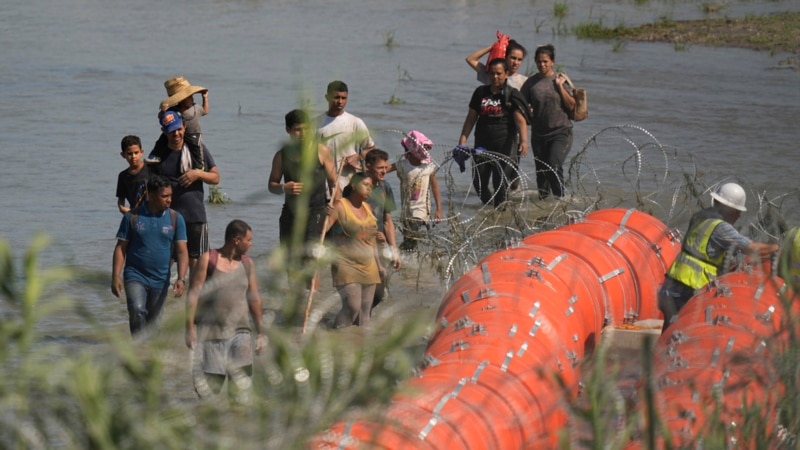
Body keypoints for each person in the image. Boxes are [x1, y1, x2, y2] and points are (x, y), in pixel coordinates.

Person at [658, 182, 779, 333]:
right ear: (727, 208)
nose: (739, 214)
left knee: (669, 337)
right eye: (737, 210)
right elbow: (751, 248)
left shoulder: (700, 218)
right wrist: (778, 248)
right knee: (684, 335)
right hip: (687, 289)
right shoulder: (721, 228)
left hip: (671, 285)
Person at [185, 219, 266, 403]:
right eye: (249, 240)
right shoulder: (208, 259)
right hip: (212, 334)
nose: (251, 244)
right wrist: (189, 328)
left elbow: (254, 298)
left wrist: (261, 333)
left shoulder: (248, 264)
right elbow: (193, 294)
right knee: (210, 393)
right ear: (237, 240)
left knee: (240, 392)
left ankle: (238, 426)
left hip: (241, 333)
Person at [268, 109, 338, 292]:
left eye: (307, 129)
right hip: (290, 214)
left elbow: (334, 184)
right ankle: (295, 300)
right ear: (288, 130)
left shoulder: (321, 151)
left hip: (316, 212)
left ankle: (310, 302)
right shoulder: (282, 155)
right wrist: (284, 187)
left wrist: (332, 212)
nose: (303, 134)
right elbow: (271, 185)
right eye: (298, 130)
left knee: (310, 260)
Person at [111, 175, 188, 336]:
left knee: (154, 325)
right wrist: (115, 276)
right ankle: (138, 350)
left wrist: (181, 278)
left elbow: (182, 251)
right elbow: (120, 248)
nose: (169, 200)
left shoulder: (175, 219)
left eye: (170, 196)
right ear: (151, 196)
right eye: (164, 196)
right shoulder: (132, 217)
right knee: (138, 311)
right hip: (135, 275)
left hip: (160, 278)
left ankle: (147, 356)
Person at [150, 108, 220, 272]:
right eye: (171, 131)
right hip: (167, 217)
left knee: (197, 262)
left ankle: (194, 296)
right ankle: (164, 296)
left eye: (179, 129)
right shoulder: (158, 155)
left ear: (184, 127)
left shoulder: (197, 150)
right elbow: (149, 187)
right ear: (163, 132)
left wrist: (197, 174)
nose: (176, 134)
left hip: (195, 215)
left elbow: (216, 178)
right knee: (165, 260)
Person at [458, 58, 529, 207]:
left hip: (505, 145)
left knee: (499, 182)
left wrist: (523, 141)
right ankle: (490, 211)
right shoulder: (480, 93)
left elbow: (520, 120)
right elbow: (471, 119)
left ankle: (501, 213)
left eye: (499, 73)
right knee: (479, 183)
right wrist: (462, 142)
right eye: (492, 74)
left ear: (506, 74)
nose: (495, 77)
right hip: (482, 144)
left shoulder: (511, 94)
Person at [325, 172, 382, 328]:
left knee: (365, 314)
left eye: (371, 186)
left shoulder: (368, 207)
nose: (369, 189)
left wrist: (379, 265)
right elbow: (322, 232)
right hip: (346, 264)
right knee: (352, 308)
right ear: (354, 185)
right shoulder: (340, 206)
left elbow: (372, 241)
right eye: (366, 185)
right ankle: (335, 335)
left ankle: (362, 346)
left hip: (368, 265)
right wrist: (324, 217)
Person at [520, 44, 576, 199]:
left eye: (545, 61)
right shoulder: (531, 83)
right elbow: (520, 106)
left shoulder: (560, 80)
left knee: (553, 165)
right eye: (538, 61)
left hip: (561, 132)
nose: (542, 65)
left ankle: (561, 201)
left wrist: (560, 87)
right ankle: (544, 207)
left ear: (553, 62)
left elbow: (572, 105)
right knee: (542, 174)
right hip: (539, 135)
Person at [316, 80, 375, 190]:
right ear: (327, 97)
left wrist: (357, 157)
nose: (340, 102)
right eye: (336, 97)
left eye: (344, 98)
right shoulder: (316, 123)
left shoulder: (355, 122)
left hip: (348, 185)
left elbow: (371, 148)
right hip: (321, 187)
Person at [364, 148, 401, 311]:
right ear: (368, 167)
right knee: (364, 288)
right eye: (380, 168)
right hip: (361, 243)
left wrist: (394, 249)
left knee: (380, 292)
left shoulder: (385, 188)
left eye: (386, 167)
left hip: (380, 242)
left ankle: (359, 321)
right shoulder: (359, 187)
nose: (384, 171)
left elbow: (387, 221)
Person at [146, 76, 210, 169]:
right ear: (181, 99)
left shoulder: (195, 107)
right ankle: (154, 155)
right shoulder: (173, 110)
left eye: (192, 96)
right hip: (178, 132)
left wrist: (205, 98)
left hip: (193, 132)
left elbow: (205, 111)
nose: (192, 99)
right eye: (189, 97)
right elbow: (162, 118)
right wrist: (163, 111)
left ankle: (199, 166)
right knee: (161, 140)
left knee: (196, 148)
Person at [396, 131, 443, 251]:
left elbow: (435, 188)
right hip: (407, 210)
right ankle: (407, 257)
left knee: (413, 230)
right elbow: (383, 169)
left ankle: (401, 255)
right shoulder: (403, 165)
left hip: (421, 210)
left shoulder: (428, 168)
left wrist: (438, 209)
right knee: (409, 238)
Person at [116, 135, 152, 215]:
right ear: (123, 155)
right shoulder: (123, 176)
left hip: (152, 213)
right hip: (135, 214)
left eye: (136, 153)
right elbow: (121, 199)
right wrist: (122, 208)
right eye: (129, 153)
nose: (133, 156)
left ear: (141, 152)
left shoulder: (151, 170)